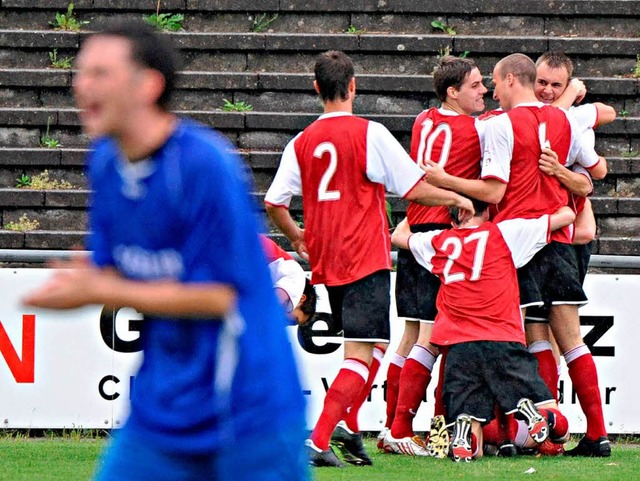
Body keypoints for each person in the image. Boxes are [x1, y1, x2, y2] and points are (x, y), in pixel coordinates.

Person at [22, 21, 309, 481]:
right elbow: (112, 260)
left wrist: (100, 288)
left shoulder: (203, 165)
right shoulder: (105, 161)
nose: (81, 85)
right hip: (162, 405)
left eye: (100, 73)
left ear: (148, 85)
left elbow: (220, 295)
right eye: (80, 72)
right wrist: (81, 276)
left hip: (245, 407)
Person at [264, 50, 473, 468]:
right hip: (364, 254)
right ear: (354, 86)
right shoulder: (369, 133)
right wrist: (455, 195)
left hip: (328, 259)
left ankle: (349, 429)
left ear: (317, 89)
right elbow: (413, 188)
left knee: (372, 348)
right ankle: (320, 439)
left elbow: (274, 203)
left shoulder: (301, 141)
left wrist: (300, 237)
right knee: (362, 353)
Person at [424, 53, 611, 457]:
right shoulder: (565, 120)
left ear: (511, 80)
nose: (491, 91)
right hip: (559, 241)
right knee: (572, 341)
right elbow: (594, 176)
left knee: (515, 338)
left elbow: (493, 192)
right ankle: (596, 434)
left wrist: (445, 181)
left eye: (494, 82)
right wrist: (561, 174)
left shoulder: (502, 125)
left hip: (517, 243)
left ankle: (511, 436)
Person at [391, 199, 575, 462]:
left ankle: (468, 432)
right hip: (502, 341)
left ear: (458, 213)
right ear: (479, 210)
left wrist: (421, 205)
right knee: (558, 429)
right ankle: (540, 416)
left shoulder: (439, 241)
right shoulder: (506, 232)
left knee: (472, 442)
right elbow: (565, 216)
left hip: (459, 349)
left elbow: (399, 236)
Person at [381, 56, 488, 457]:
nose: (484, 92)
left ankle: (393, 427)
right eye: (475, 85)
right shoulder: (475, 128)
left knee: (410, 333)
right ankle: (402, 427)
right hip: (441, 236)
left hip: (414, 230)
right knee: (432, 337)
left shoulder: (424, 119)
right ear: (452, 92)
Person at [261, 235, 317, 325]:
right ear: (301, 299)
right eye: (294, 320)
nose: (286, 324)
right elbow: (271, 304)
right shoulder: (297, 280)